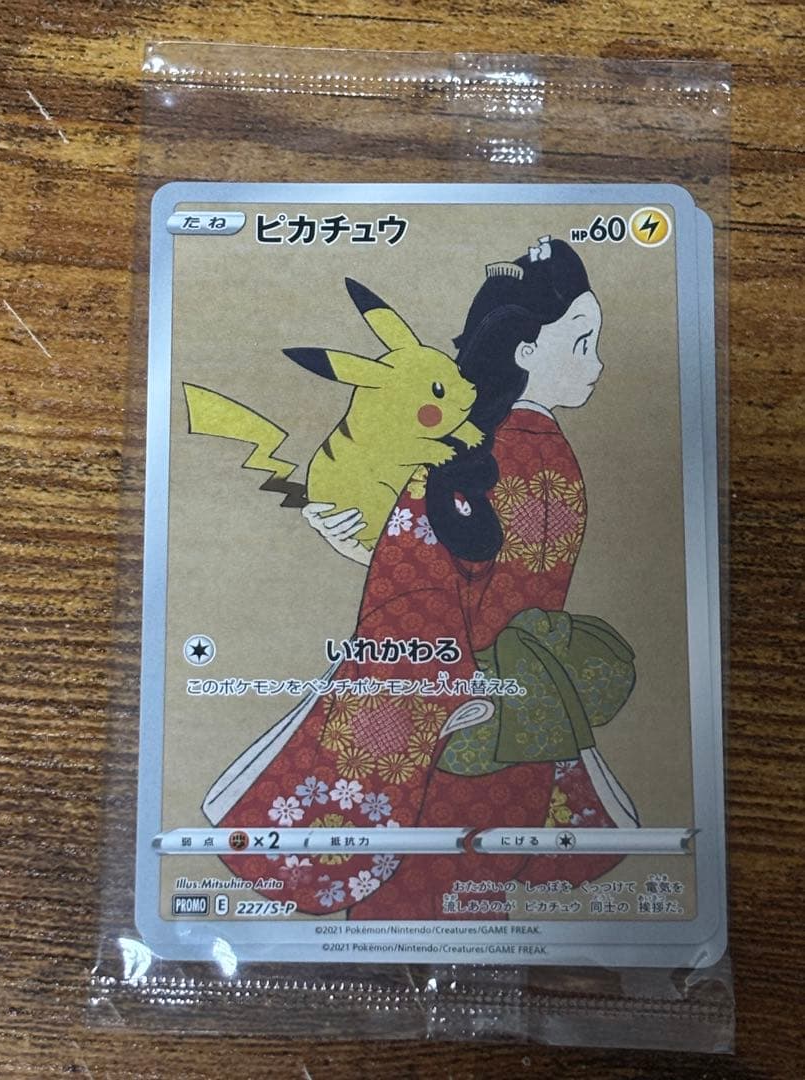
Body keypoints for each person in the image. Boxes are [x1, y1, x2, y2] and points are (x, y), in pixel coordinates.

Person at [209, 237, 637, 918]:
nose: (598, 364)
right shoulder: (529, 457)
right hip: (515, 715)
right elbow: (475, 577)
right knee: (469, 889)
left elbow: (418, 593)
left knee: (425, 895)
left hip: (463, 715)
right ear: (525, 350)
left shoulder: (472, 460)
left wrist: (442, 676)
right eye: (582, 343)